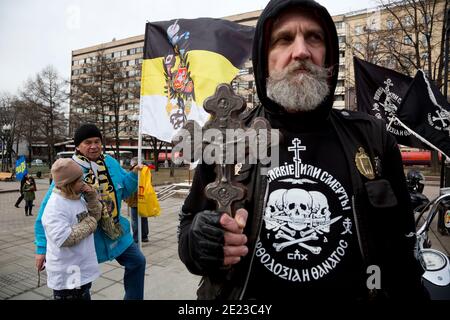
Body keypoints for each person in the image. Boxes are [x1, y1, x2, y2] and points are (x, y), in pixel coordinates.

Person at [178, 0, 426, 300]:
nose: (301, 51)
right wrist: (200, 241)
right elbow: (188, 228)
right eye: (283, 39)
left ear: (329, 56)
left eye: (314, 37)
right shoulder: (227, 137)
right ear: (263, 57)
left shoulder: (371, 138)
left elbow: (402, 252)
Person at [34, 124, 146, 300]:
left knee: (137, 261)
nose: (94, 146)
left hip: (115, 232)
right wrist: (41, 248)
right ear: (78, 146)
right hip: (88, 240)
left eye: (97, 141)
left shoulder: (110, 162)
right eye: (88, 142)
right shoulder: (69, 170)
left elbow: (123, 191)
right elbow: (45, 214)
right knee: (80, 287)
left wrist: (134, 175)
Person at [42, 158, 102, 300]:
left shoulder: (77, 198)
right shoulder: (55, 206)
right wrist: (90, 224)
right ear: (68, 184)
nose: (84, 183)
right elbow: (64, 238)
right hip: (67, 272)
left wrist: (92, 197)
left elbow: (95, 217)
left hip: (81, 267)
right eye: (80, 180)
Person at [125, 157, 149, 243]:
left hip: (136, 200)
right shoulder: (146, 172)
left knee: (135, 220)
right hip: (143, 199)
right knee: (143, 219)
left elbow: (130, 188)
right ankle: (144, 236)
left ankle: (136, 238)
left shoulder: (133, 173)